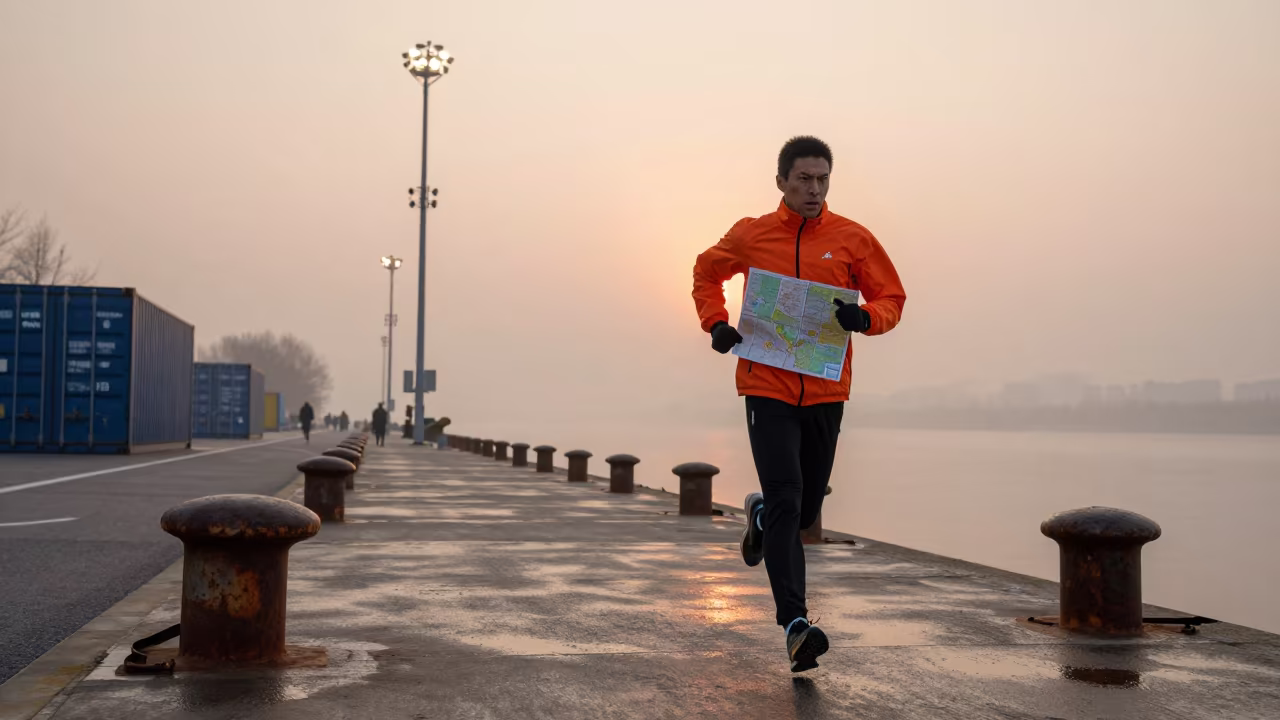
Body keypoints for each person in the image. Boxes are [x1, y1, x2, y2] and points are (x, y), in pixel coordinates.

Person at [691, 136, 906, 673]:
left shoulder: (853, 238)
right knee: (789, 498)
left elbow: (891, 299)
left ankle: (759, 513)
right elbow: (705, 270)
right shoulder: (751, 234)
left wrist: (866, 319)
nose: (814, 189)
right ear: (782, 180)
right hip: (766, 385)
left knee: (805, 511)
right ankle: (795, 625)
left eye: (822, 179)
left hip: (827, 390)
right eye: (804, 179)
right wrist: (716, 323)